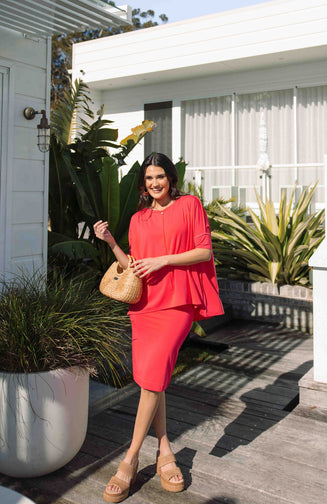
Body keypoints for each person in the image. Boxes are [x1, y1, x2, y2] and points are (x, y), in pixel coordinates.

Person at [94, 152, 224, 503]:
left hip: (178, 302)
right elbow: (133, 266)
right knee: (155, 377)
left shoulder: (189, 205)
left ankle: (130, 458)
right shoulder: (138, 219)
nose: (155, 184)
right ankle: (165, 451)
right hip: (145, 305)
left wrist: (164, 259)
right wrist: (111, 243)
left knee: (152, 377)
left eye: (160, 177)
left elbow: (204, 252)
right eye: (149, 179)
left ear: (171, 178)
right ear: (143, 184)